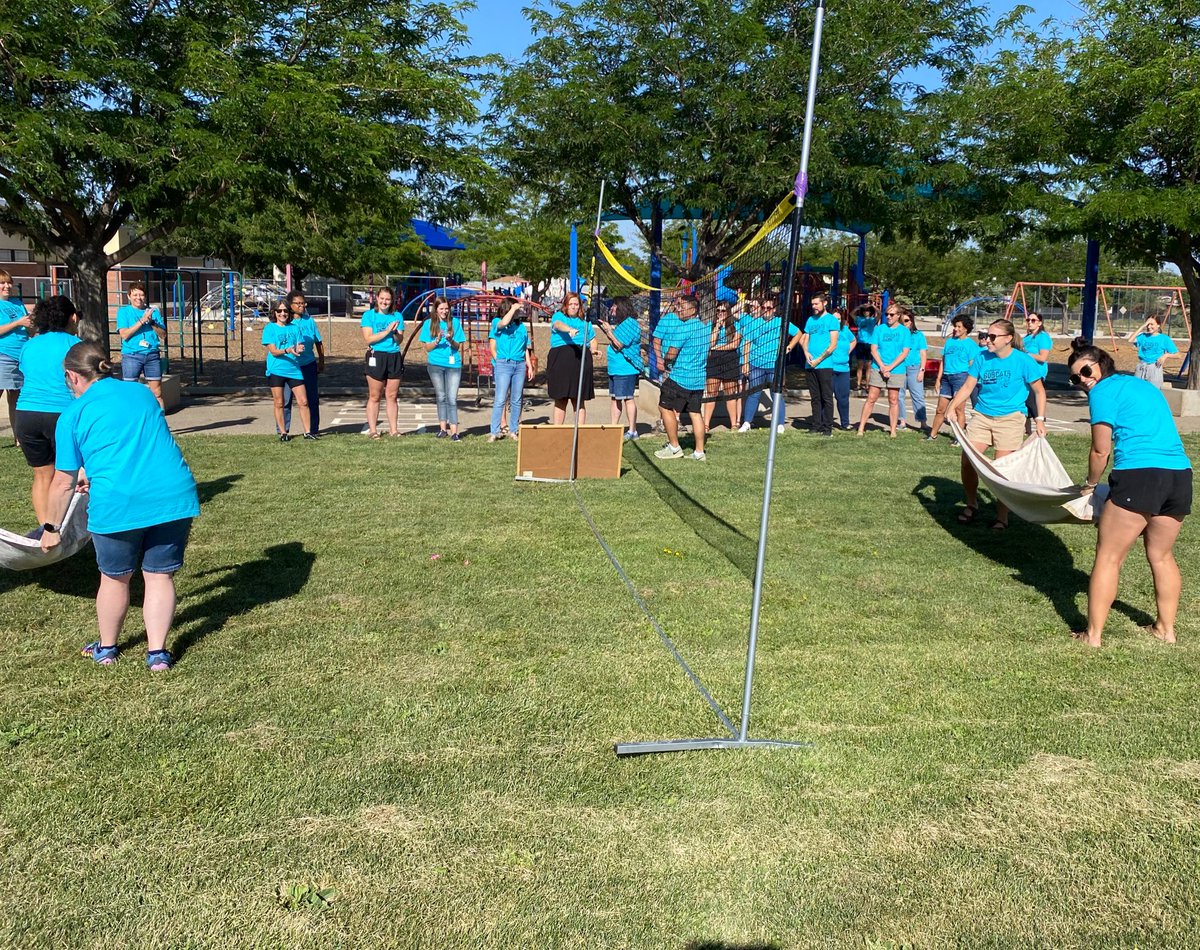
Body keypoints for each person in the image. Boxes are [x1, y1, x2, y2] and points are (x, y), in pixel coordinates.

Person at [41, 342, 200, 671]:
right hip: (173, 494)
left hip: (119, 501)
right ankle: (157, 655)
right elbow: (136, 441)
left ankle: (108, 648)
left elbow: (62, 483)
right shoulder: (142, 393)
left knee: (115, 578)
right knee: (159, 577)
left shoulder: (72, 414)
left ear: (72, 376)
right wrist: (92, 471)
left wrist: (51, 529)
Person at [1067, 344, 1192, 647]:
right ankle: (1165, 629)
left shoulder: (1102, 392)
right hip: (1179, 475)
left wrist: (1090, 484)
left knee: (1109, 556)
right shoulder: (1142, 385)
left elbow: (1100, 450)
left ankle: (1093, 635)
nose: (1083, 380)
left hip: (1140, 474)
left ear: (1102, 364)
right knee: (1161, 556)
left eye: (1085, 371)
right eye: (1075, 378)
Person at [945, 319, 1046, 530]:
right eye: (986, 335)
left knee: (1002, 469)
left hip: (1011, 418)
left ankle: (1002, 516)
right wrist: (952, 406)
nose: (987, 340)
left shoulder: (1023, 360)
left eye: (992, 337)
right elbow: (968, 386)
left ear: (1008, 339)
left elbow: (1039, 391)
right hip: (982, 416)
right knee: (968, 460)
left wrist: (1040, 420)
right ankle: (972, 504)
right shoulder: (982, 357)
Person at [15, 295, 82, 529]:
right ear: (72, 317)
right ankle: (69, 527)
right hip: (62, 415)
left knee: (43, 475)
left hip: (26, 415)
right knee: (71, 474)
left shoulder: (29, 344)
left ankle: (47, 529)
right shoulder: (75, 345)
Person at [654, 293, 709, 460]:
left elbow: (671, 353)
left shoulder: (684, 328)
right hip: (698, 379)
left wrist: (664, 360)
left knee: (664, 407)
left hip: (680, 377)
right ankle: (699, 452)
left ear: (693, 310)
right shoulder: (704, 328)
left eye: (682, 307)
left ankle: (674, 447)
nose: (679, 310)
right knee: (695, 412)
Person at [739, 297, 802, 432]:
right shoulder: (754, 323)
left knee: (776, 394)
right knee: (753, 393)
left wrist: (789, 347)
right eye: (763, 308)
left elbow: (798, 333)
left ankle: (779, 424)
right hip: (756, 363)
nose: (766, 310)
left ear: (774, 310)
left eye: (769, 308)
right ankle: (747, 422)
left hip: (774, 364)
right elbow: (747, 343)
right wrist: (745, 363)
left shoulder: (781, 322)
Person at [261, 299, 313, 442]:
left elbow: (299, 345)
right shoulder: (270, 328)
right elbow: (273, 351)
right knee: (279, 402)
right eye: (279, 311)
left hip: (294, 370)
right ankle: (283, 433)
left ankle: (308, 432)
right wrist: (288, 350)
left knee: (303, 401)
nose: (282, 313)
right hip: (276, 370)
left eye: (285, 311)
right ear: (274, 313)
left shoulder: (294, 328)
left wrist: (299, 349)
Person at [855, 303, 910, 437]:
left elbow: (904, 352)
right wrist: (882, 366)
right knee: (871, 397)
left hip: (896, 369)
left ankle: (892, 431)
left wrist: (890, 367)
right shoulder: (879, 329)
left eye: (891, 315)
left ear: (898, 316)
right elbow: (873, 349)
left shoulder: (904, 331)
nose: (888, 317)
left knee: (893, 399)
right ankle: (861, 428)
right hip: (878, 367)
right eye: (887, 314)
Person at [598, 297, 645, 439]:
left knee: (627, 398)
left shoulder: (630, 323)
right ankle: (614, 427)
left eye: (614, 307)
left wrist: (608, 331)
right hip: (615, 369)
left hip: (625, 369)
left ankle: (632, 430)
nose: (612, 310)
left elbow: (618, 344)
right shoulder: (622, 324)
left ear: (621, 308)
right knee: (615, 398)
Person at [420, 297, 467, 440]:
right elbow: (427, 348)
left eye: (446, 308)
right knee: (441, 397)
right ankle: (442, 429)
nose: (444, 311)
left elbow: (458, 346)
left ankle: (455, 432)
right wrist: (437, 340)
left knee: (452, 398)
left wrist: (450, 339)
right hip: (435, 364)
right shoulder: (429, 324)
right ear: (436, 309)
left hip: (453, 365)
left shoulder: (455, 323)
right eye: (441, 309)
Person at [925, 315, 978, 441]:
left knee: (959, 409)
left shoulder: (970, 344)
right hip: (947, 378)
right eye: (955, 326)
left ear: (966, 329)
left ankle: (959, 439)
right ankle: (933, 435)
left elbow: (972, 364)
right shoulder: (950, 341)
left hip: (961, 377)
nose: (956, 328)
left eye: (959, 326)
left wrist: (969, 381)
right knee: (940, 409)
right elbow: (943, 361)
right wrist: (938, 378)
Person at [488, 297, 535, 442]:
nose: (517, 313)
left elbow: (525, 348)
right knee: (500, 398)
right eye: (514, 309)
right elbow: (503, 323)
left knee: (516, 399)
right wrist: (513, 309)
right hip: (504, 363)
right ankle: (495, 431)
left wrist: (529, 365)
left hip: (519, 364)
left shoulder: (521, 327)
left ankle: (514, 430)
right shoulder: (497, 322)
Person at [547, 292, 597, 425]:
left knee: (578, 399)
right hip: (561, 359)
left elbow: (592, 339)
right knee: (561, 399)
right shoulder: (559, 316)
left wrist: (594, 349)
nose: (574, 307)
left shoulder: (585, 323)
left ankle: (579, 430)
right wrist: (569, 330)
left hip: (581, 359)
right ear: (566, 305)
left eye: (576, 304)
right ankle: (558, 430)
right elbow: (557, 325)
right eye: (571, 304)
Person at [115, 282, 168, 408]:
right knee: (130, 392)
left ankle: (159, 423)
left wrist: (152, 323)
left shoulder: (153, 312)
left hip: (152, 354)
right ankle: (132, 423)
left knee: (157, 393)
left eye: (141, 295)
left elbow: (163, 335)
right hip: (132, 355)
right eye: (135, 294)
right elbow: (125, 335)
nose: (138, 298)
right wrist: (142, 321)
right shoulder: (124, 312)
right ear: (129, 296)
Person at [361, 287, 403, 438]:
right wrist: (386, 331)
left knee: (392, 395)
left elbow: (400, 340)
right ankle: (373, 431)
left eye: (388, 299)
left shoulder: (397, 316)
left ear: (392, 301)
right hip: (376, 356)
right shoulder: (368, 316)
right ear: (377, 298)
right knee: (375, 395)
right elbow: (368, 338)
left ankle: (394, 430)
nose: (385, 302)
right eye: (382, 298)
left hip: (393, 357)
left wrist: (395, 332)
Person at [282, 290, 324, 436]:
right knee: (285, 400)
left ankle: (313, 429)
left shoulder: (309, 321)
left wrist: (321, 361)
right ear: (290, 305)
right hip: (289, 366)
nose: (301, 306)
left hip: (308, 365)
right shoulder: (285, 322)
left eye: (303, 303)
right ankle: (283, 431)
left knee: (312, 398)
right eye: (297, 303)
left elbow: (318, 342)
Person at [800, 293, 839, 437]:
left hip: (824, 365)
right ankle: (816, 425)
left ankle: (827, 427)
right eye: (813, 304)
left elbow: (833, 345)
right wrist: (806, 353)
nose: (814, 307)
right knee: (815, 397)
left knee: (826, 397)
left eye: (816, 304)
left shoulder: (831, 320)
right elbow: (805, 340)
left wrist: (819, 359)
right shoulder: (810, 320)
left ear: (824, 303)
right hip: (810, 365)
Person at [702, 298, 742, 432]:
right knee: (711, 392)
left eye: (723, 310)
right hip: (714, 361)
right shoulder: (711, 325)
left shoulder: (736, 325)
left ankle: (734, 424)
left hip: (730, 360)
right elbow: (711, 343)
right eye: (718, 310)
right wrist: (717, 327)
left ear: (728, 311)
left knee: (730, 392)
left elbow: (734, 344)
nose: (720, 313)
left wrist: (718, 347)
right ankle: (706, 425)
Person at [0, 270, 31, 444]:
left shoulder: (17, 303)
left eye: (9, 282)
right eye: (2, 283)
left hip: (20, 355)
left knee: (16, 397)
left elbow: (27, 326)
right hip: (3, 355)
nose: (7, 286)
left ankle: (18, 438)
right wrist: (18, 323)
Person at [895, 310, 928, 432]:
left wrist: (922, 370)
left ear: (912, 321)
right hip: (900, 368)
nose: (905, 323)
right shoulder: (898, 335)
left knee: (918, 396)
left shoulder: (918, 335)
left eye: (907, 321)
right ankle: (902, 420)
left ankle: (923, 422)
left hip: (915, 368)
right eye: (902, 321)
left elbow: (923, 353)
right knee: (899, 396)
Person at [1022, 311, 1053, 434]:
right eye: (1028, 320)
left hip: (1036, 374)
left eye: (1033, 320)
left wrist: (1026, 354)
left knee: (1033, 403)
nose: (1030, 322)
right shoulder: (1026, 338)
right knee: (1025, 404)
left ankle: (1041, 429)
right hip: (1024, 374)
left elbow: (1042, 357)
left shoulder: (1043, 337)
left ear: (1039, 323)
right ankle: (1027, 432)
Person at [1127, 316, 1178, 389]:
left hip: (1155, 367)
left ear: (1158, 325)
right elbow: (1130, 340)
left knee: (1153, 392)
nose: (1149, 327)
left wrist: (1166, 355)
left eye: (1152, 324)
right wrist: (1142, 326)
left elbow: (1177, 355)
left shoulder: (1164, 339)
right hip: (1141, 367)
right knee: (1137, 391)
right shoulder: (1143, 336)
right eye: (1148, 324)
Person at [828, 307, 856, 430]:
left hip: (844, 369)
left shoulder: (845, 330)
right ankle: (826, 423)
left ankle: (845, 423)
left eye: (839, 319)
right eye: (834, 319)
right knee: (827, 397)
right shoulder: (826, 330)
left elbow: (854, 340)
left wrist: (847, 352)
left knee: (843, 398)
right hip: (830, 368)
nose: (837, 321)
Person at [852, 304, 878, 392]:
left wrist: (873, 306)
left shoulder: (873, 320)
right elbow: (852, 314)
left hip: (869, 343)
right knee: (860, 365)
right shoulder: (859, 319)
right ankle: (858, 384)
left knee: (868, 365)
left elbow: (880, 314)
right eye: (864, 311)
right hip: (860, 343)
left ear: (870, 312)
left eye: (868, 311)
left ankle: (867, 385)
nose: (866, 312)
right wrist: (859, 307)